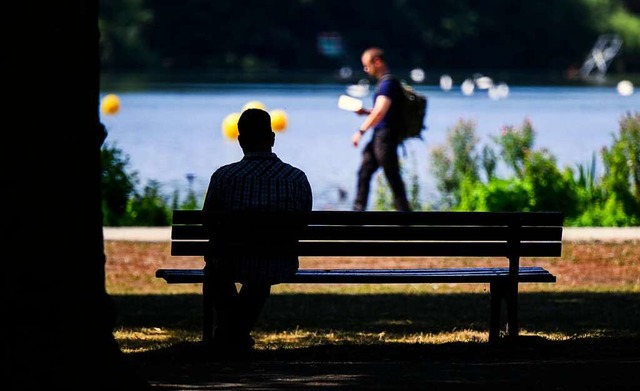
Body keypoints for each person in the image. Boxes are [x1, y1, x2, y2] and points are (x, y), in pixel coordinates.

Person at [202, 108, 313, 354]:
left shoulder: (224, 176)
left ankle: (229, 335)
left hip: (231, 261)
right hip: (279, 261)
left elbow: (207, 223)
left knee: (216, 264)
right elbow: (303, 224)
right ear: (272, 139)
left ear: (240, 140)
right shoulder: (296, 178)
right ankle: (235, 335)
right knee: (261, 269)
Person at [351, 47, 411, 212]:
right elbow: (381, 111)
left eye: (367, 65)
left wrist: (360, 131)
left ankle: (405, 221)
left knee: (393, 178)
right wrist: (365, 112)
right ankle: (355, 218)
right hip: (379, 137)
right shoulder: (385, 84)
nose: (366, 69)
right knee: (364, 173)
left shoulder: (388, 84)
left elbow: (379, 112)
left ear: (377, 62)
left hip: (386, 139)